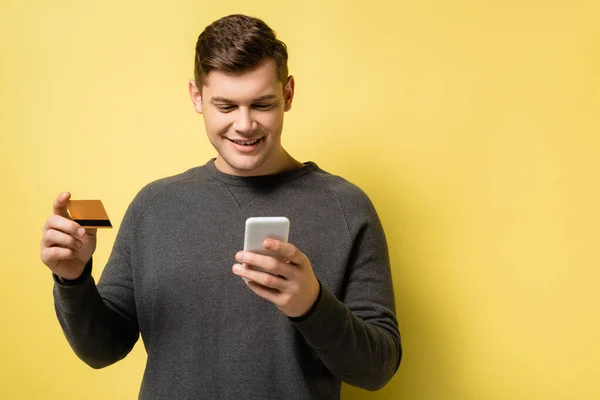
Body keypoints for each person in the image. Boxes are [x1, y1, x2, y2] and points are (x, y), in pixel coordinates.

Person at [40, 14, 401, 399]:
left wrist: (311, 303)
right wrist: (73, 281)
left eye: (262, 104)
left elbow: (377, 369)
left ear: (289, 94)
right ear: (197, 97)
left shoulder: (346, 207)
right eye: (225, 106)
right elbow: (102, 349)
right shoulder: (155, 206)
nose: (244, 125)